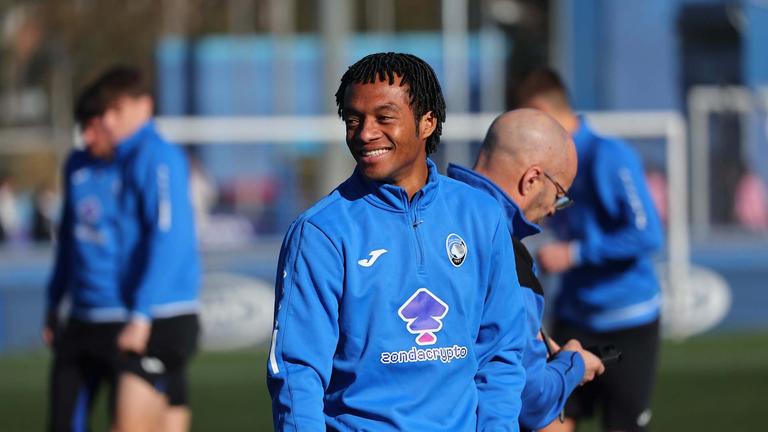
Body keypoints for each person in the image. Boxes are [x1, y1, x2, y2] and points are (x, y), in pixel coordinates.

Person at [267, 52, 527, 431]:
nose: (365, 133)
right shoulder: (321, 231)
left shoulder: (480, 215)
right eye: (353, 120)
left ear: (427, 123)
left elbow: (501, 350)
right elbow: (297, 370)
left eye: (384, 118)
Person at [45, 65, 200, 432]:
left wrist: (141, 313)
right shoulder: (99, 162)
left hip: (158, 316)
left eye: (114, 113)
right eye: (104, 114)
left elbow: (169, 238)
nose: (107, 124)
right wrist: (55, 300)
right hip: (116, 316)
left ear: (141, 107)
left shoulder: (157, 156)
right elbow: (70, 237)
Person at [517, 69, 664, 432]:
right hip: (572, 318)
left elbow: (648, 235)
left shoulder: (609, 155)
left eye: (527, 122)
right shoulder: (542, 166)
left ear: (541, 112)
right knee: (547, 422)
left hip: (627, 320)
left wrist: (575, 254)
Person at [447, 108, 605, 431]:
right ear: (532, 179)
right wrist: (572, 365)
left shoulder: (419, 213)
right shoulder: (509, 262)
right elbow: (529, 399)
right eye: (559, 195)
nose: (552, 209)